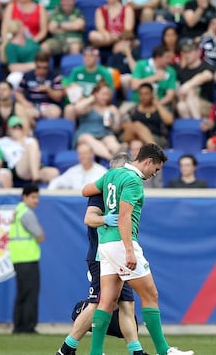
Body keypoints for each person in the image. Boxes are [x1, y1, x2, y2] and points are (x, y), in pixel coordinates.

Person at [81, 143, 194, 355]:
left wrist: (105, 209)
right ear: (148, 161)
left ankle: (95, 353)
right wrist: (129, 251)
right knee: (151, 294)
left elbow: (85, 190)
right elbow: (124, 216)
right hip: (122, 244)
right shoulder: (133, 181)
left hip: (104, 244)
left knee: (107, 301)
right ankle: (164, 350)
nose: (154, 174)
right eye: (156, 169)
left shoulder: (112, 174)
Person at [56, 152, 144, 355]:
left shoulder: (126, 190)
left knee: (127, 303)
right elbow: (89, 218)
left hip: (118, 254)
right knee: (99, 303)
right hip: (100, 255)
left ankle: (136, 351)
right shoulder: (102, 190)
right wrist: (106, 219)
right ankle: (66, 349)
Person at [8, 185, 45, 334]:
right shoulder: (26, 213)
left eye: (37, 197)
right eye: (33, 197)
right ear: (25, 197)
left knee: (22, 294)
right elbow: (40, 235)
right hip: (27, 258)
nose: (36, 201)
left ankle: (19, 326)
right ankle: (28, 327)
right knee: (30, 294)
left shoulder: (18, 211)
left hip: (18, 258)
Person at [16, 53, 65, 121]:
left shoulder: (55, 77)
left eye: (44, 68)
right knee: (23, 113)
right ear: (35, 64)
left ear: (48, 65)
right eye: (39, 67)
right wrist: (25, 102)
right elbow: (18, 93)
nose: (41, 70)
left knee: (55, 112)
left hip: (49, 106)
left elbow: (59, 97)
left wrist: (48, 90)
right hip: (32, 105)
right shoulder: (27, 76)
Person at [176, 41, 215, 120]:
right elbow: (178, 90)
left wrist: (188, 85)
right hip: (186, 104)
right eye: (185, 52)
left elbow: (207, 76)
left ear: (198, 52)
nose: (187, 55)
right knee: (181, 106)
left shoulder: (205, 66)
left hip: (206, 104)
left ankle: (197, 124)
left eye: (190, 52)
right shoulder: (182, 71)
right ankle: (191, 129)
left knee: (191, 92)